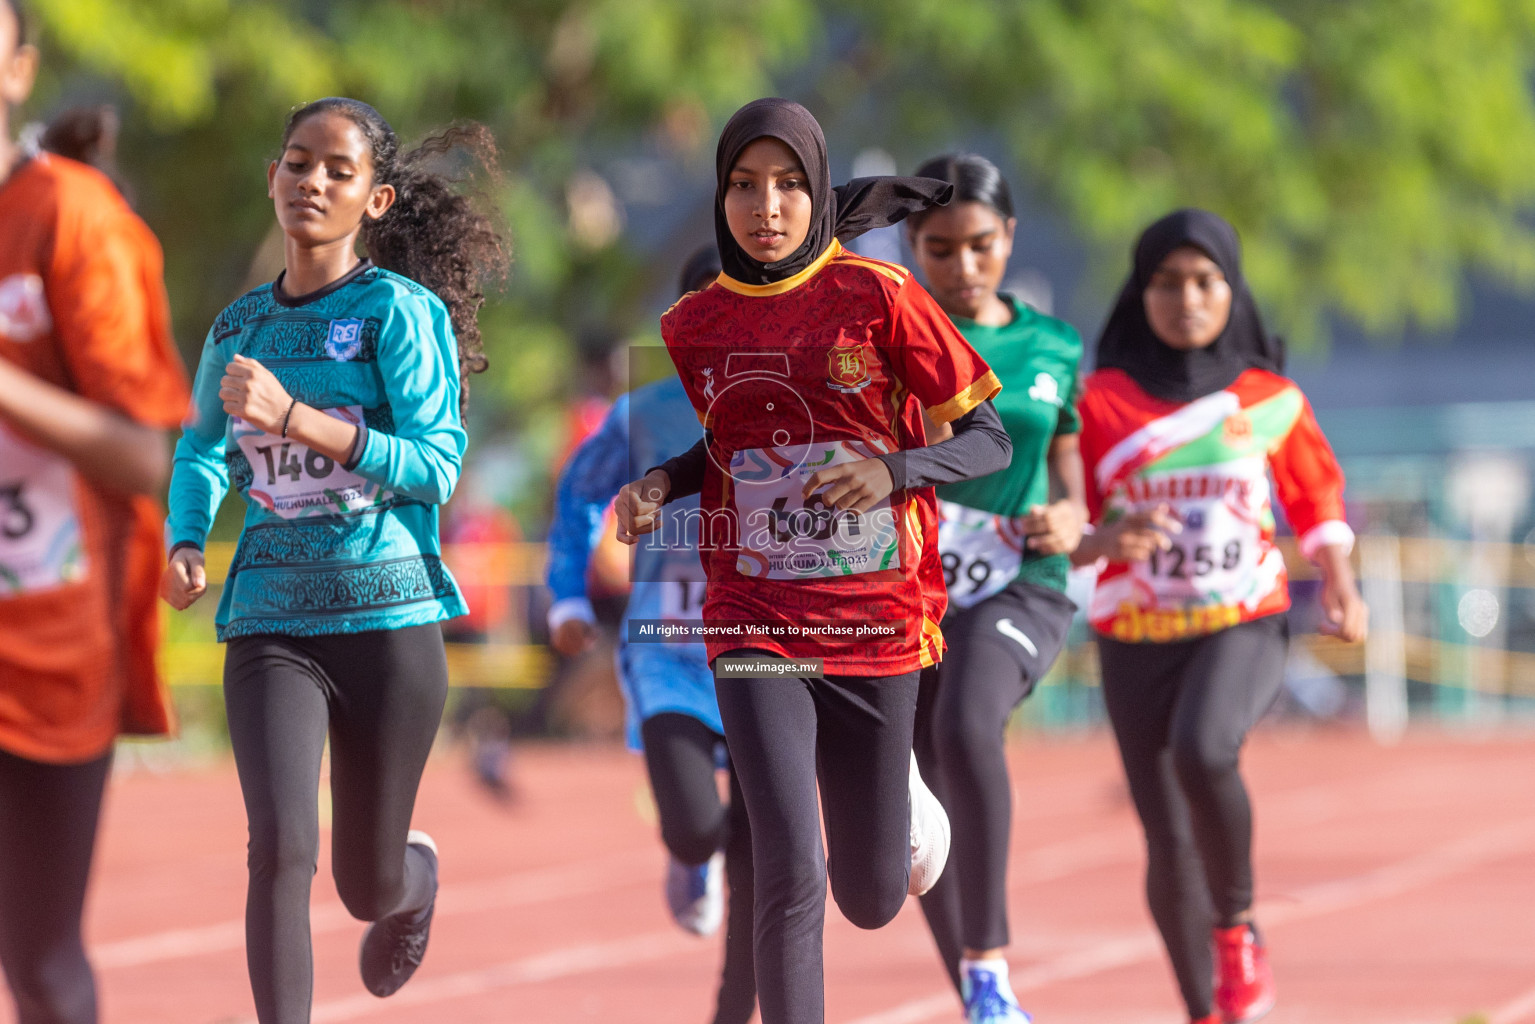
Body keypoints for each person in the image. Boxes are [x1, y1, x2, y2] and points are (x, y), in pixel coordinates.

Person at [616, 98, 1014, 1024]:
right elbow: (728, 447)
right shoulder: (693, 323)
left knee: (872, 896)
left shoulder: (881, 296)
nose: (767, 207)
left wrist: (891, 470)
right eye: (745, 187)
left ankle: (902, 796)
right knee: (789, 864)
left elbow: (986, 441)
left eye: (790, 186)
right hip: (751, 618)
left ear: (818, 194)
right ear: (720, 198)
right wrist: (659, 484)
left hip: (877, 621)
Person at [160, 97, 506, 1023]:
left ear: (377, 200)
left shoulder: (398, 312)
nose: (311, 181)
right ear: (270, 176)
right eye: (295, 162)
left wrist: (299, 420)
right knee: (279, 847)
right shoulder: (236, 328)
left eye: (337, 170)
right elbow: (200, 452)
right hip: (272, 619)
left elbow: (436, 465)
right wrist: (186, 538)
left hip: (389, 622)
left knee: (363, 883)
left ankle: (413, 879)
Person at [1072, 209, 1367, 1024]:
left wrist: (1339, 580)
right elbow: (1064, 529)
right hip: (1133, 633)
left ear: (1230, 292)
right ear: (1140, 293)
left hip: (1244, 618)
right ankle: (1206, 1008)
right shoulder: (1096, 403)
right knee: (1165, 839)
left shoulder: (1267, 398)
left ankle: (1234, 927)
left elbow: (1315, 496)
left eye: (1204, 281)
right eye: (1165, 283)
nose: (1185, 299)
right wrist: (1103, 536)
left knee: (1205, 749)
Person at [0, 4, 191, 1022]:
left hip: (45, 646)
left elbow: (139, 450)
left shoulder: (72, 219)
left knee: (38, 960)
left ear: (18, 70)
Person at [547, 245, 757, 1024]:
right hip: (669, 653)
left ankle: (734, 1006)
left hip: (765, 657)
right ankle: (691, 856)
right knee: (699, 828)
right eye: (705, 311)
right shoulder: (642, 415)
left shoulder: (797, 411)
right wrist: (567, 598)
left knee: (764, 850)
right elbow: (575, 497)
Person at [903, 154, 1085, 1024]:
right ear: (913, 245)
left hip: (1021, 584)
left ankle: (989, 958)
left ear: (1008, 237)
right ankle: (979, 994)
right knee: (915, 815)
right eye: (940, 249)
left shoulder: (1052, 345)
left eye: (980, 246)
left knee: (965, 723)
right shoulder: (885, 337)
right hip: (906, 594)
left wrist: (1072, 514)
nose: (963, 268)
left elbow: (1066, 464)